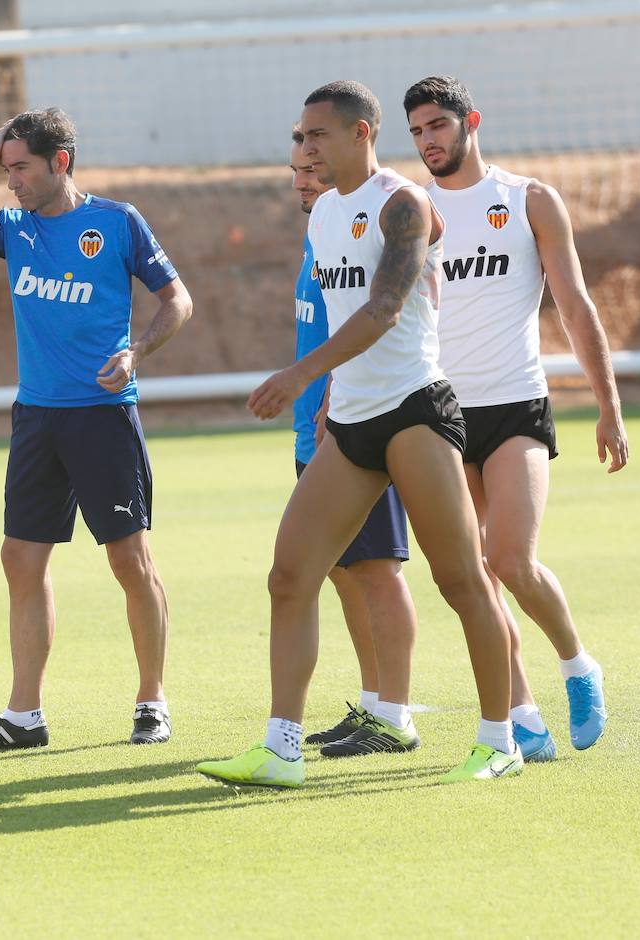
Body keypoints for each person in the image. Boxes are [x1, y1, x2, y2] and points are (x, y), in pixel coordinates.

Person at [197, 81, 522, 788]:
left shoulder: (403, 203)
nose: (306, 147)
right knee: (290, 576)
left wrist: (299, 375)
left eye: (318, 135)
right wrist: (330, 396)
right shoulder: (324, 217)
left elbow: (381, 309)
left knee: (462, 580)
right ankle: (281, 748)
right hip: (351, 419)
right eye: (302, 136)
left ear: (361, 134)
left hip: (415, 414)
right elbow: (346, 310)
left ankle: (500, 740)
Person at [0, 108, 193, 750]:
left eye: (20, 168)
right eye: (5, 168)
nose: (10, 181)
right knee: (21, 557)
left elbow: (177, 301)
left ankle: (152, 699)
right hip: (37, 417)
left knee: (128, 559)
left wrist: (137, 352)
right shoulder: (10, 227)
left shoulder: (118, 222)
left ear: (61, 162)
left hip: (103, 417)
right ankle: (24, 716)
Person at [404, 75, 629, 759]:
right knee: (475, 577)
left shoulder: (528, 200)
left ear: (470, 121)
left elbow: (577, 306)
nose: (427, 142)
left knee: (510, 556)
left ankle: (577, 665)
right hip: (441, 411)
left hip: (517, 405)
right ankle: (524, 714)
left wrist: (609, 407)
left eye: (437, 125)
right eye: (415, 132)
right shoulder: (411, 211)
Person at [287, 127, 421, 758]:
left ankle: (394, 712)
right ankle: (372, 704)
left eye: (311, 169)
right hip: (316, 430)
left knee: (377, 569)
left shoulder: (383, 218)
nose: (302, 183)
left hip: (360, 426)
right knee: (342, 572)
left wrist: (330, 397)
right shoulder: (321, 238)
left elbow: (374, 322)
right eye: (295, 172)